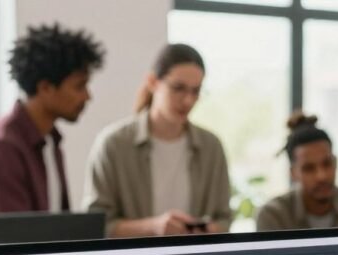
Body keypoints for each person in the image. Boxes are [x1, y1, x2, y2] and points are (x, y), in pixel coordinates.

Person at [84, 43, 231, 236]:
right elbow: (96, 227)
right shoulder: (113, 144)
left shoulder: (211, 147)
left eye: (195, 91)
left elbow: (224, 220)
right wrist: (154, 227)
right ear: (153, 82)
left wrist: (204, 230)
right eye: (178, 88)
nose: (188, 100)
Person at [0, 24, 104, 213]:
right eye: (79, 87)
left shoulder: (50, 139)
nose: (87, 96)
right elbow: (10, 236)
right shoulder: (1, 147)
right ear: (46, 87)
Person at [256, 111, 338, 231]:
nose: (322, 176)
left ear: (336, 163)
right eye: (308, 168)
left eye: (327, 163)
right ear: (293, 173)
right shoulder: (273, 215)